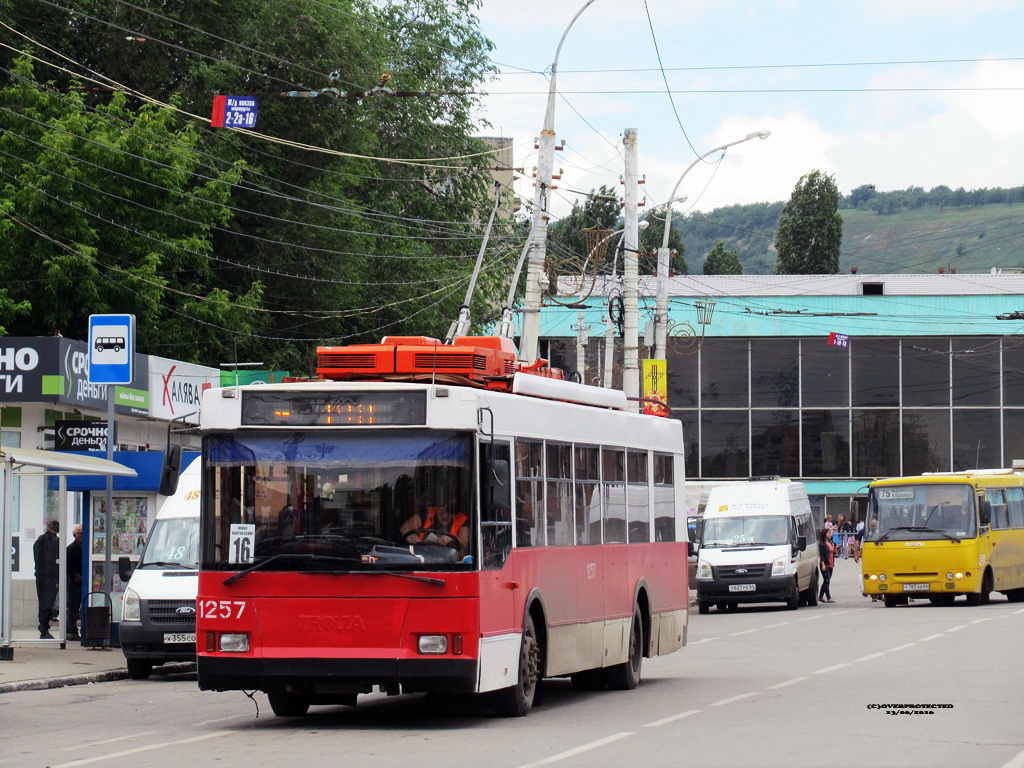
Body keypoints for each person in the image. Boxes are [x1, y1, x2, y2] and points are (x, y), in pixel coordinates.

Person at [400, 503, 469, 551]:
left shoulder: (462, 519)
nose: (445, 514)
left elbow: (464, 542)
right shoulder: (427, 513)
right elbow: (405, 528)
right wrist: (419, 544)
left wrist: (451, 539)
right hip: (422, 557)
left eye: (449, 511)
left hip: (451, 563)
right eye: (443, 507)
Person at [33, 519, 60, 639]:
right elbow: (56, 561)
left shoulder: (38, 541)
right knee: (49, 602)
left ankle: (43, 627)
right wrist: (58, 579)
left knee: (42, 601)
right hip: (51, 576)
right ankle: (44, 628)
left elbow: (36, 557)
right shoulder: (55, 541)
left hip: (39, 575)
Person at [66, 525, 83, 641]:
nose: (82, 536)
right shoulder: (71, 549)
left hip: (85, 581)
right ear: (74, 535)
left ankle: (84, 630)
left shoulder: (87, 547)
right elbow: (66, 565)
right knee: (73, 607)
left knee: (85, 605)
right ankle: (71, 631)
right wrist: (75, 574)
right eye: (79, 534)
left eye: (83, 533)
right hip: (74, 581)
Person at [817, 528, 835, 603]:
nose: (830, 534)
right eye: (828, 533)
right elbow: (822, 555)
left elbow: (831, 552)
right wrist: (823, 564)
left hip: (831, 563)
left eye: (830, 533)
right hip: (825, 564)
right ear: (824, 535)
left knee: (827, 581)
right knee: (827, 580)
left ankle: (820, 596)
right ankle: (828, 597)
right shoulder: (822, 544)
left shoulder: (830, 543)